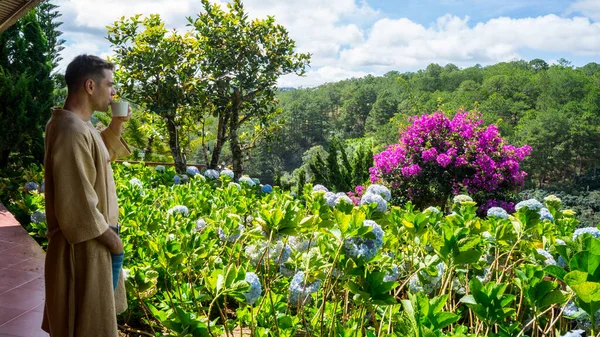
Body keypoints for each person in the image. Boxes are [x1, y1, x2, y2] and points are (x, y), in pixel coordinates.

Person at [42, 54, 131, 336]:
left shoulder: (80, 125)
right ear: (90, 86)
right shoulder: (71, 131)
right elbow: (78, 207)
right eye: (110, 84)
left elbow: (98, 156)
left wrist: (116, 124)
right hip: (83, 248)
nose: (114, 91)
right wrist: (114, 243)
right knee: (87, 327)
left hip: (92, 244)